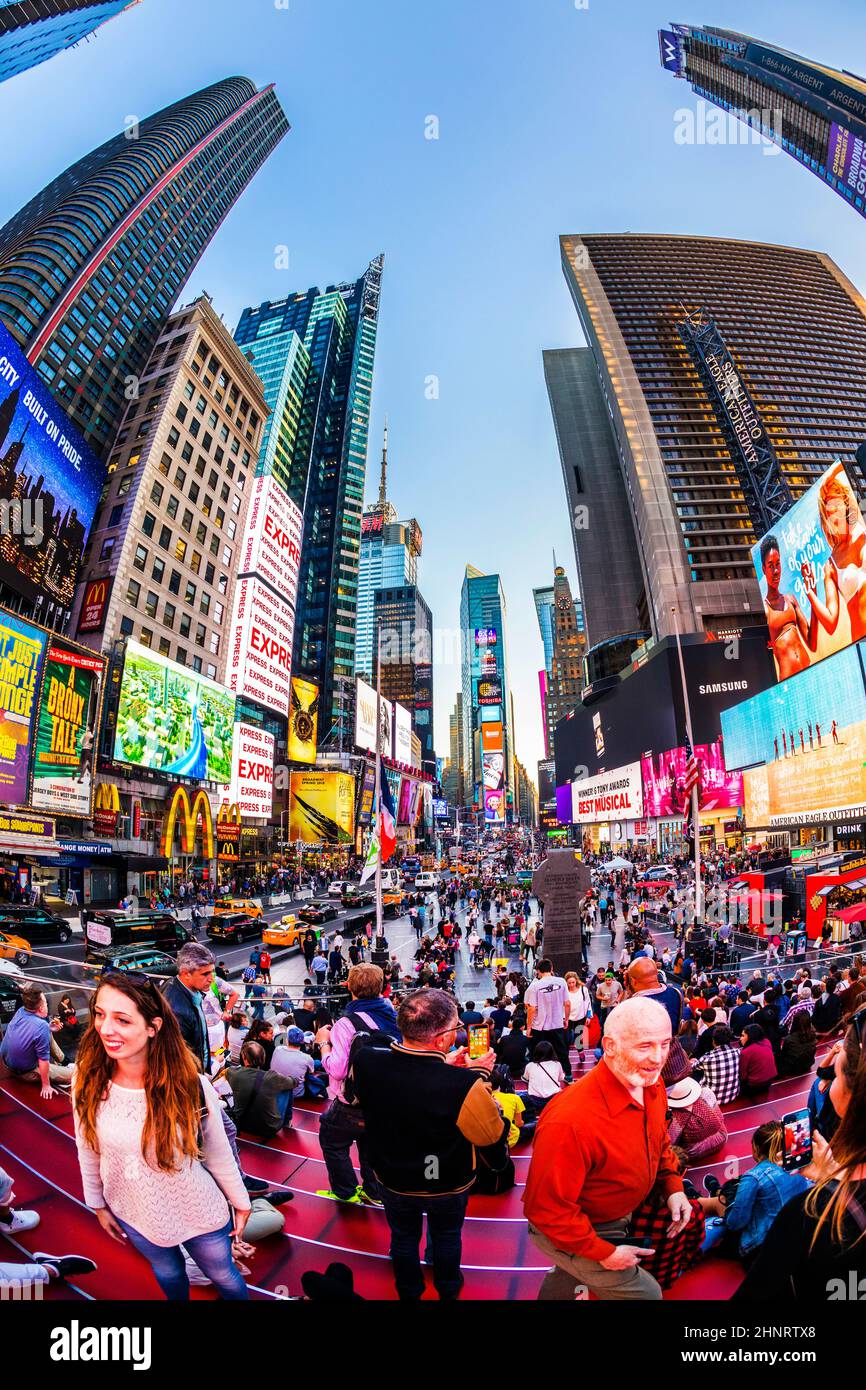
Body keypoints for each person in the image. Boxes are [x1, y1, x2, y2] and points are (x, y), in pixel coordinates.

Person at [72, 972, 251, 1300]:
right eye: (100, 1014)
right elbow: (87, 1146)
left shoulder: (190, 1084)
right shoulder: (87, 1080)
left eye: (122, 1020)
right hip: (134, 1210)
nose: (105, 1028)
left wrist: (241, 1202)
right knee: (168, 1272)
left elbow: (216, 1149)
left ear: (153, 1027)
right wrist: (96, 1203)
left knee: (224, 1275)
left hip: (198, 1207)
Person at [524, 997, 690, 1301]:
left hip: (610, 1216)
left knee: (571, 1274)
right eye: (644, 1046)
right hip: (577, 1226)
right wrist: (604, 1253)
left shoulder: (651, 1086)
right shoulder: (570, 1121)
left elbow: (659, 1142)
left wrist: (673, 1186)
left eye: (665, 1044)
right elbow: (547, 1210)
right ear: (610, 1046)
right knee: (647, 1294)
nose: (658, 1058)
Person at [352, 989, 508, 1300]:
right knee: (447, 1236)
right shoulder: (465, 1086)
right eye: (454, 1029)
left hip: (391, 1176)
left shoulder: (366, 1059)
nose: (457, 1034)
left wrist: (444, 1066)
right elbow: (490, 1135)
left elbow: (407, 1084)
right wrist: (480, 1077)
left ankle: (409, 1290)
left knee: (403, 1237)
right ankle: (448, 1288)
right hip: (446, 1182)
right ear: (440, 1039)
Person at [736, 1004, 866, 1299]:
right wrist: (830, 1176)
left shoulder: (811, 1214)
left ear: (851, 1090)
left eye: (838, 1062)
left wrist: (829, 1189)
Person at [316, 965, 401, 1206]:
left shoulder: (346, 1023)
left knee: (332, 1140)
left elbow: (338, 1069)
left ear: (349, 987)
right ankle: (374, 1192)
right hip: (386, 1099)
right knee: (371, 1143)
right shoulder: (391, 1013)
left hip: (351, 1103)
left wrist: (324, 1044)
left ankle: (345, 1191)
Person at [0, 986, 75, 1097]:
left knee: (46, 1031)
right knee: (76, 1075)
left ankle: (65, 1062)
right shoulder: (41, 1026)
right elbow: (43, 1061)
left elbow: (31, 1031)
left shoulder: (21, 1011)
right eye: (45, 1003)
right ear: (41, 1009)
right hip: (24, 1073)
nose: (47, 1005)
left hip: (7, 1063)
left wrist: (48, 1029)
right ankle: (66, 1068)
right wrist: (46, 1085)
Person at [162, 943, 218, 1073]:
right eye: (205, 974)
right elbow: (179, 1064)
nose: (211, 979)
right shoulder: (177, 1012)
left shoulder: (180, 987)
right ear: (186, 974)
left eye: (212, 972)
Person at [228, 1041, 295, 1139]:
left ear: (245, 1059)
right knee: (287, 1088)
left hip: (241, 1125)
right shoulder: (272, 1077)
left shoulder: (232, 1073)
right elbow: (293, 1083)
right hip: (269, 1129)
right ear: (263, 1058)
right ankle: (287, 1123)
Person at [524, 958, 572, 1081]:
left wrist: (528, 1027)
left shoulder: (535, 986)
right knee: (561, 1050)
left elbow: (531, 1009)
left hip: (539, 1026)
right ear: (551, 968)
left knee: (537, 1052)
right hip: (557, 1023)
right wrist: (566, 1019)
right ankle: (568, 1075)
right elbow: (567, 1003)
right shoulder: (561, 982)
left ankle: (534, 1077)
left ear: (538, 971)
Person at [665, 1076, 728, 1162]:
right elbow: (720, 1118)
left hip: (694, 1152)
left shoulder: (676, 1118)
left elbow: (671, 1142)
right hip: (722, 1138)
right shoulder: (706, 1093)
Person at [692, 1025, 741, 1106]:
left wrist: (694, 1061)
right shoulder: (737, 1052)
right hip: (733, 1095)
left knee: (694, 1074)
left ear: (713, 1041)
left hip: (711, 1100)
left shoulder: (707, 1058)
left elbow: (692, 1068)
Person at [272, 1026, 318, 1098]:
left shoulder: (277, 1049)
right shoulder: (307, 1058)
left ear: (287, 1040)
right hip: (296, 1094)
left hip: (275, 1089)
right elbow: (311, 1072)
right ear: (302, 1041)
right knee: (317, 1064)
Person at [523, 1041, 565, 1117]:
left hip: (534, 1100)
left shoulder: (530, 1065)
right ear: (552, 1052)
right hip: (553, 1099)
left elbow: (525, 1079)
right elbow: (561, 1079)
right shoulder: (557, 1064)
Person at [490, 1065, 526, 1147]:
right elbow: (519, 1123)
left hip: (487, 1139)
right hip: (510, 1139)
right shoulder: (514, 1098)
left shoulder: (478, 1099)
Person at [739, 1024, 778, 1096]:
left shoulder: (746, 1052)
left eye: (743, 1036)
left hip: (754, 1086)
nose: (740, 1038)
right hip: (769, 1082)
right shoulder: (767, 1042)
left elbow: (743, 1076)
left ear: (750, 1037)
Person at [779, 1011, 818, 1077]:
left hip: (793, 1069)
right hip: (807, 1065)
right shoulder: (813, 1035)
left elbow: (783, 1055)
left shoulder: (789, 1039)